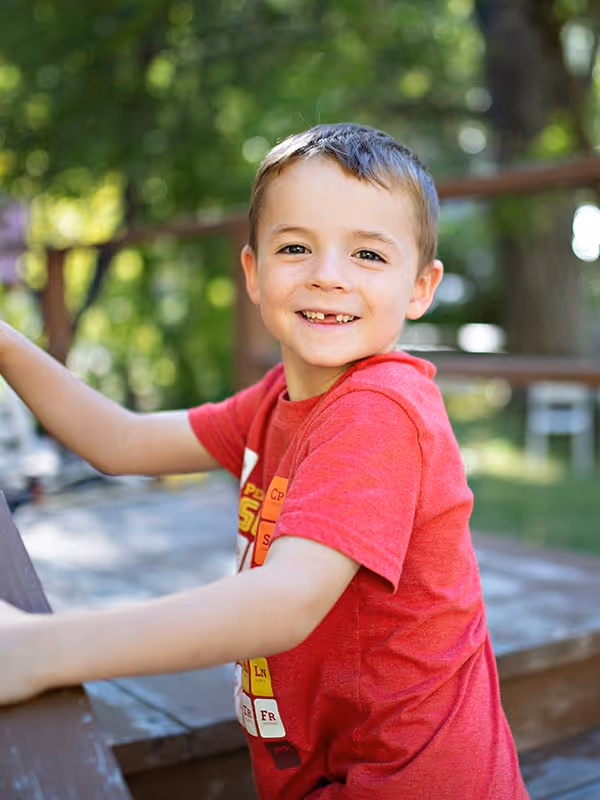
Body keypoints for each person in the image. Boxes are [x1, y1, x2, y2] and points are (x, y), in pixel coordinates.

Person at [0, 122, 529, 799]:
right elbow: (121, 441)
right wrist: (9, 344)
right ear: (253, 272)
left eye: (368, 254)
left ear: (421, 287)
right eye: (295, 247)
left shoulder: (380, 411)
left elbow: (285, 602)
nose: (327, 276)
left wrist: (41, 650)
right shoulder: (276, 399)